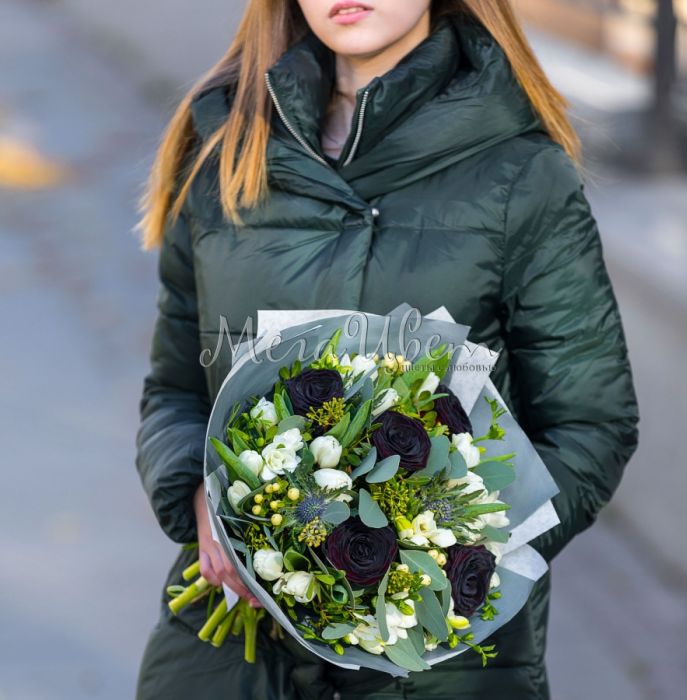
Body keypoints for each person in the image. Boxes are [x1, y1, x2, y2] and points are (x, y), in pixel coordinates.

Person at [134, 1, 639, 698]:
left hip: (442, 663)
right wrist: (200, 493)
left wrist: (444, 560)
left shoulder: (519, 175)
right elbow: (174, 391)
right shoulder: (227, 145)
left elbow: (591, 423)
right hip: (230, 656)